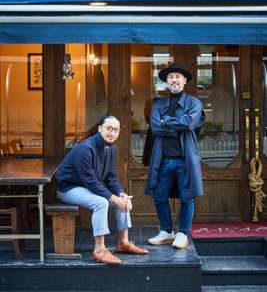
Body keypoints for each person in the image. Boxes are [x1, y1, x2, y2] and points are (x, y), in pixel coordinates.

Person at [54, 115, 148, 265]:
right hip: (69, 188)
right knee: (102, 203)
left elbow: (111, 177)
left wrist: (120, 194)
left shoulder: (111, 148)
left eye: (115, 130)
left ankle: (123, 242)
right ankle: (99, 250)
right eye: (108, 128)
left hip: (86, 187)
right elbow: (91, 182)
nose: (112, 133)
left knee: (122, 200)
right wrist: (114, 198)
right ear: (99, 129)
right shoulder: (85, 149)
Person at [145, 63, 205, 249]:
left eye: (178, 77)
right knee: (159, 196)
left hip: (184, 160)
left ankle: (183, 233)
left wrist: (167, 123)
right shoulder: (157, 104)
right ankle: (166, 231)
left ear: (185, 81)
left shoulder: (194, 103)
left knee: (187, 197)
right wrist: (176, 125)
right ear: (166, 81)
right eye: (171, 77)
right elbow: (155, 128)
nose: (174, 80)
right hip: (162, 160)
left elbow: (188, 125)